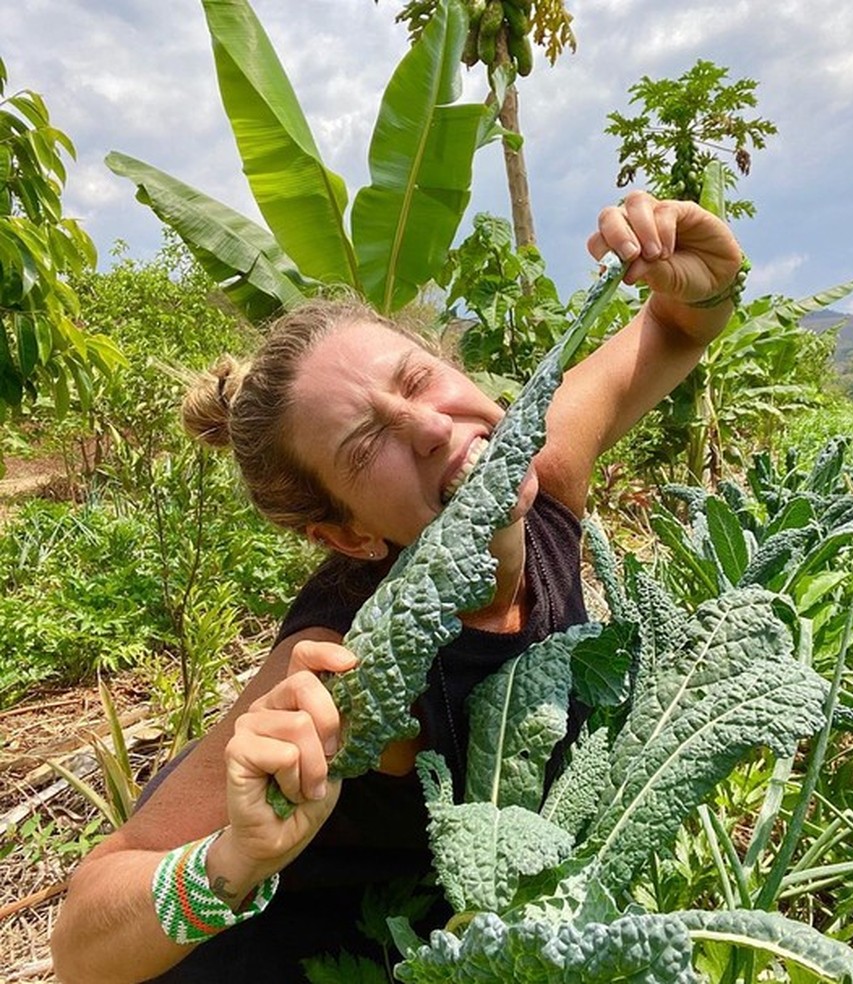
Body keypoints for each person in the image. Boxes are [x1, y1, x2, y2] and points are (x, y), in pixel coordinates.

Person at [50, 192, 742, 983]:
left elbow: (674, 327)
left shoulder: (545, 468)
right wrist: (229, 861)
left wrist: (704, 277)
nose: (429, 426)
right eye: (366, 442)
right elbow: (79, 947)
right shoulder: (350, 662)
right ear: (349, 536)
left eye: (419, 380)